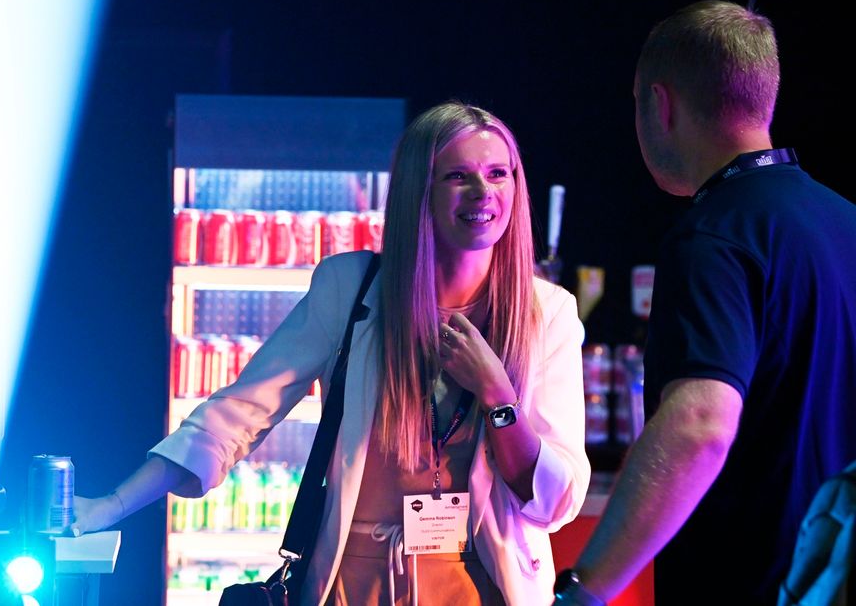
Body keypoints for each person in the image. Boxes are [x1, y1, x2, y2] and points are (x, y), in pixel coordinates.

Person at [73, 101, 591, 604]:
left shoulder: (547, 313)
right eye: (459, 176)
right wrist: (113, 504)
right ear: (420, 189)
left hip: (481, 583)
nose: (483, 192)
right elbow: (236, 415)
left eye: (499, 174)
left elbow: (556, 499)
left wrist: (498, 395)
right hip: (355, 580)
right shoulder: (351, 287)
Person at [551, 0, 856, 605]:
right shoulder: (845, 220)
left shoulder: (713, 235)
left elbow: (700, 423)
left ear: (659, 105)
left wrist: (584, 592)